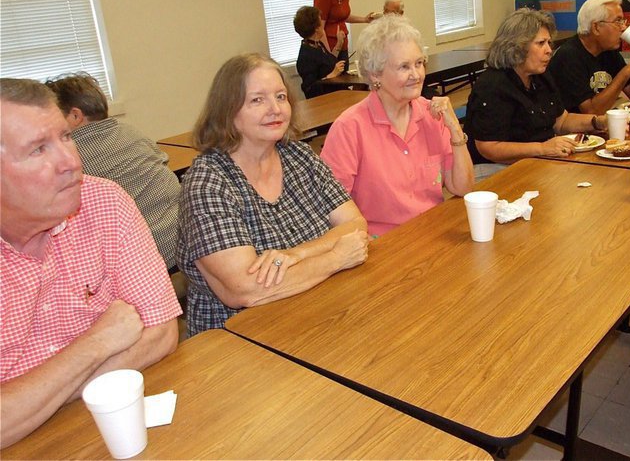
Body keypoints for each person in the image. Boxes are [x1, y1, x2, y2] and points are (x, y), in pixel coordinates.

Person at [0, 78, 182, 447]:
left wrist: (34, 398)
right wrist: (98, 342)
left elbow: (161, 334)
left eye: (66, 137)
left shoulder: (103, 201)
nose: (71, 162)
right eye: (38, 150)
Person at [177, 53, 369, 336]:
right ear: (228, 111)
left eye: (281, 97)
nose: (275, 109)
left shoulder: (299, 156)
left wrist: (294, 255)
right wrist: (335, 257)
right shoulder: (207, 183)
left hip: (318, 311)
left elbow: (355, 225)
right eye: (257, 100)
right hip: (241, 341)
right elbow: (245, 290)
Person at [320, 15, 474, 237]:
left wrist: (455, 130)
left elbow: (463, 188)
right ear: (375, 75)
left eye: (419, 63)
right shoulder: (349, 128)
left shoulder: (432, 115)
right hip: (382, 245)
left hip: (433, 234)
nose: (417, 75)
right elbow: (330, 209)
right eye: (404, 67)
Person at [45, 73, 181, 269]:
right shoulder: (130, 131)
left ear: (75, 115)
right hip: (182, 235)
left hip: (144, 254)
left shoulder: (69, 156)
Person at [463, 8, 608, 178]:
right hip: (494, 169)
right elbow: (489, 147)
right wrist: (542, 148)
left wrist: (599, 122)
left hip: (536, 160)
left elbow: (561, 121)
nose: (549, 50)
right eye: (541, 43)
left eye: (549, 43)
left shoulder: (541, 76)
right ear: (517, 47)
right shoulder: (492, 86)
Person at [549, 0, 630, 114]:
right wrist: (626, 72)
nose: (623, 27)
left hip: (597, 127)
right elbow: (591, 111)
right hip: (571, 131)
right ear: (596, 27)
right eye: (618, 21)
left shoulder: (608, 51)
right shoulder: (568, 56)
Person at [313, 0, 377, 71]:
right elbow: (320, 28)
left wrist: (365, 20)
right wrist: (330, 55)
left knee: (345, 79)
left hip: (342, 44)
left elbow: (343, 16)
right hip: (329, 46)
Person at [293, 6, 346, 99]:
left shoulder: (318, 44)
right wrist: (331, 75)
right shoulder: (306, 55)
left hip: (336, 94)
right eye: (320, 21)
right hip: (325, 101)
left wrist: (339, 43)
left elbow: (329, 60)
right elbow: (310, 89)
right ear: (316, 28)